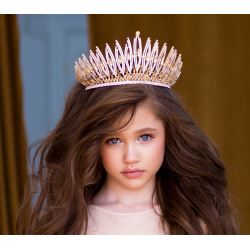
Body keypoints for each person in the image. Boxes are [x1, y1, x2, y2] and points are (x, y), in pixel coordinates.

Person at [16, 31, 240, 235]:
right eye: (114, 140)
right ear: (95, 145)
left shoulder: (196, 223)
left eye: (145, 137)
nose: (130, 156)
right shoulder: (70, 226)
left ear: (169, 135)